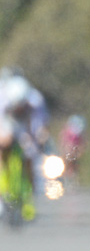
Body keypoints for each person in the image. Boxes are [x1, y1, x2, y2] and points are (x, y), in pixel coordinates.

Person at [0, 74, 49, 220]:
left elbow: (40, 126)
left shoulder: (36, 101)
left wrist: (39, 139)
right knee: (3, 149)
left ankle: (29, 198)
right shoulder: (3, 99)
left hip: (25, 126)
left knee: (29, 158)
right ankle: (3, 194)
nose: (19, 108)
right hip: (7, 123)